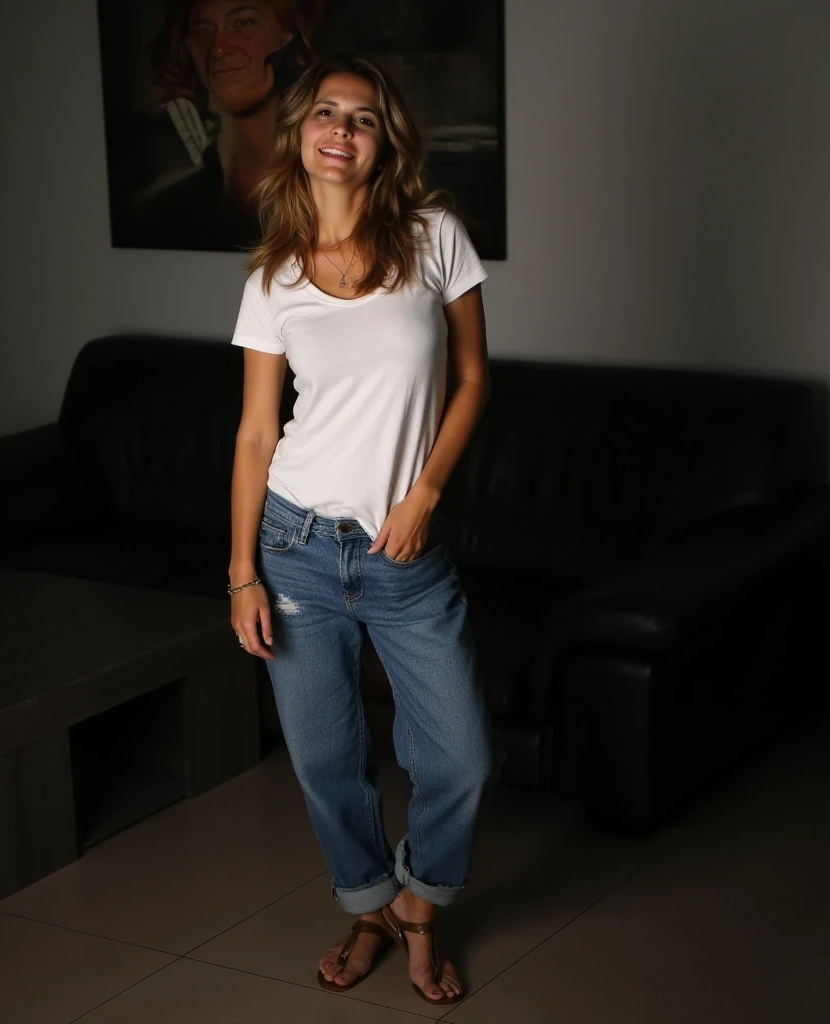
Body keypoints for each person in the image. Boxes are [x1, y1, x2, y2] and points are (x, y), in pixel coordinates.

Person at [227, 54, 499, 1005]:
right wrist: (240, 574)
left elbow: (471, 380)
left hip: (403, 552)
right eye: (327, 113)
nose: (342, 129)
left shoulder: (434, 238)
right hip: (296, 546)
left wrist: (424, 493)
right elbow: (259, 433)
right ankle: (371, 907)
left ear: (385, 142)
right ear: (300, 131)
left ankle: (421, 909)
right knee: (325, 760)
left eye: (366, 118)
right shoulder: (273, 275)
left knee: (460, 755)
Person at [138, 0, 324, 250]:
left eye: (242, 23)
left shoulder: (333, 198)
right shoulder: (160, 212)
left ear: (289, 33)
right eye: (202, 31)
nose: (218, 49)